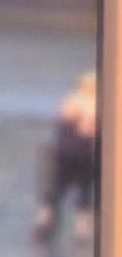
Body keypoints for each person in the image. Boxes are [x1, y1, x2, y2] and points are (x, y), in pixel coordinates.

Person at [34, 70, 98, 244]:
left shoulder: (71, 101)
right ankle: (82, 231)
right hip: (86, 153)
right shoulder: (99, 105)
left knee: (54, 188)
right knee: (84, 192)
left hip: (63, 151)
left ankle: (44, 221)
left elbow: (60, 128)